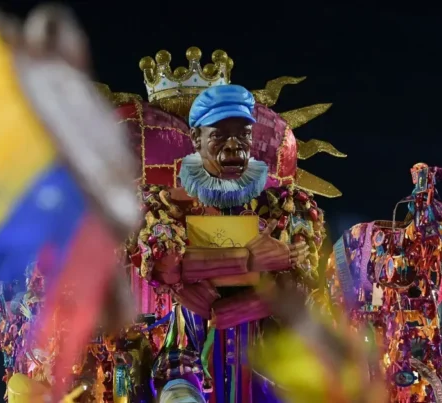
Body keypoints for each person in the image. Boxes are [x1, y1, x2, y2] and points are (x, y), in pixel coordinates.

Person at [132, 83, 326, 402]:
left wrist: (235, 308)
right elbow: (164, 265)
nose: (234, 146)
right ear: (196, 139)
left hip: (261, 350)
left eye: (243, 134)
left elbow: (300, 278)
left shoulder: (285, 202)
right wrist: (248, 259)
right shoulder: (166, 200)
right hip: (188, 347)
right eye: (220, 135)